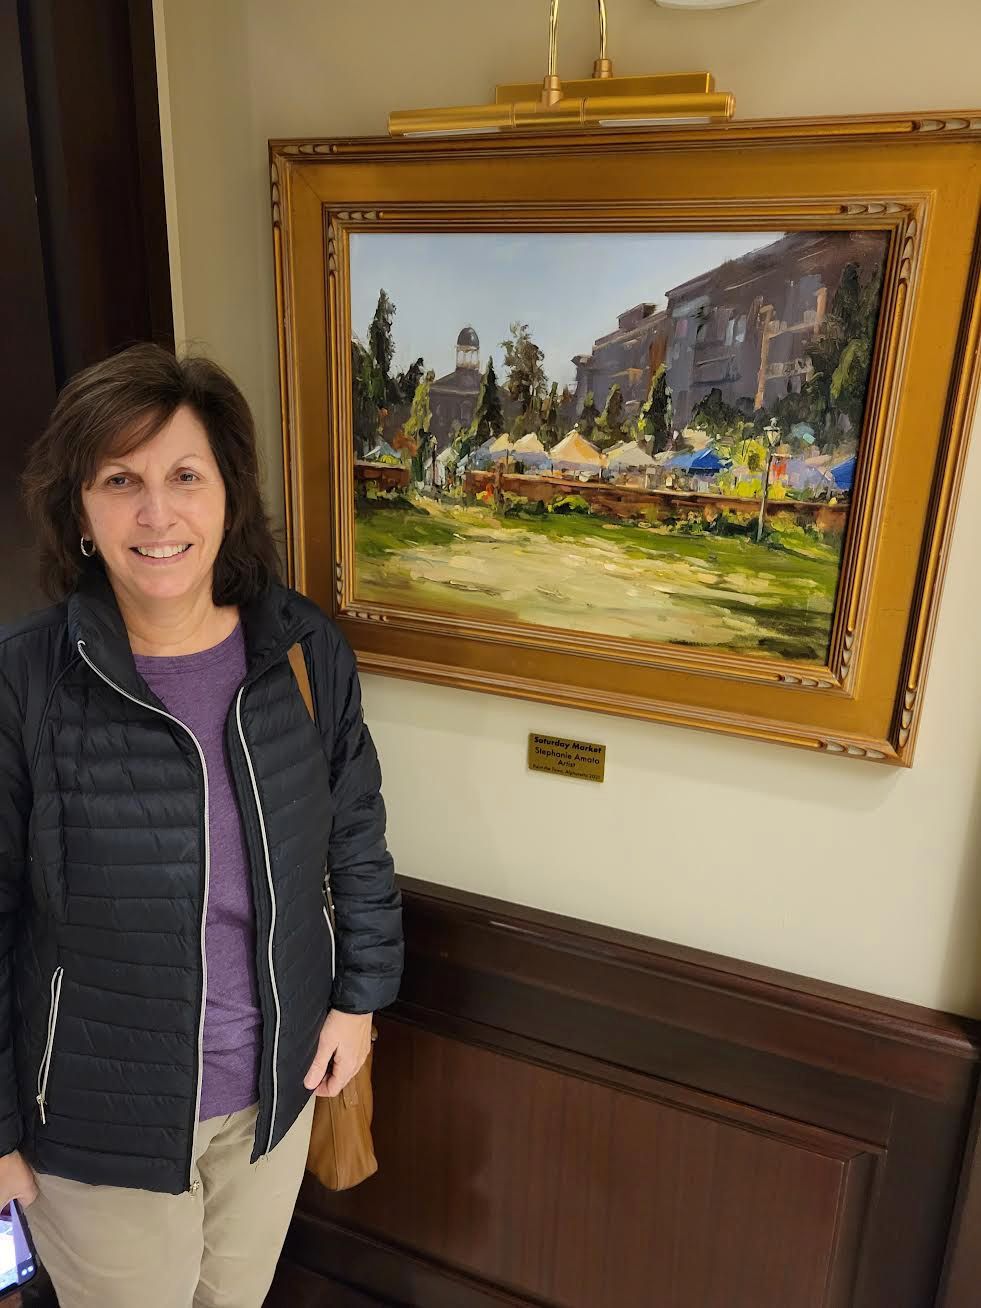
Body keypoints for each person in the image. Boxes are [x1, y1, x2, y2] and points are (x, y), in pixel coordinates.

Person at [0, 344, 403, 1307]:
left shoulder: (301, 651)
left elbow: (355, 834)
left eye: (185, 476)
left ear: (228, 495)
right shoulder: (24, 681)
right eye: (120, 481)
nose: (157, 514)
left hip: (273, 1094)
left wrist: (358, 1004)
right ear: (81, 513)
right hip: (98, 1127)